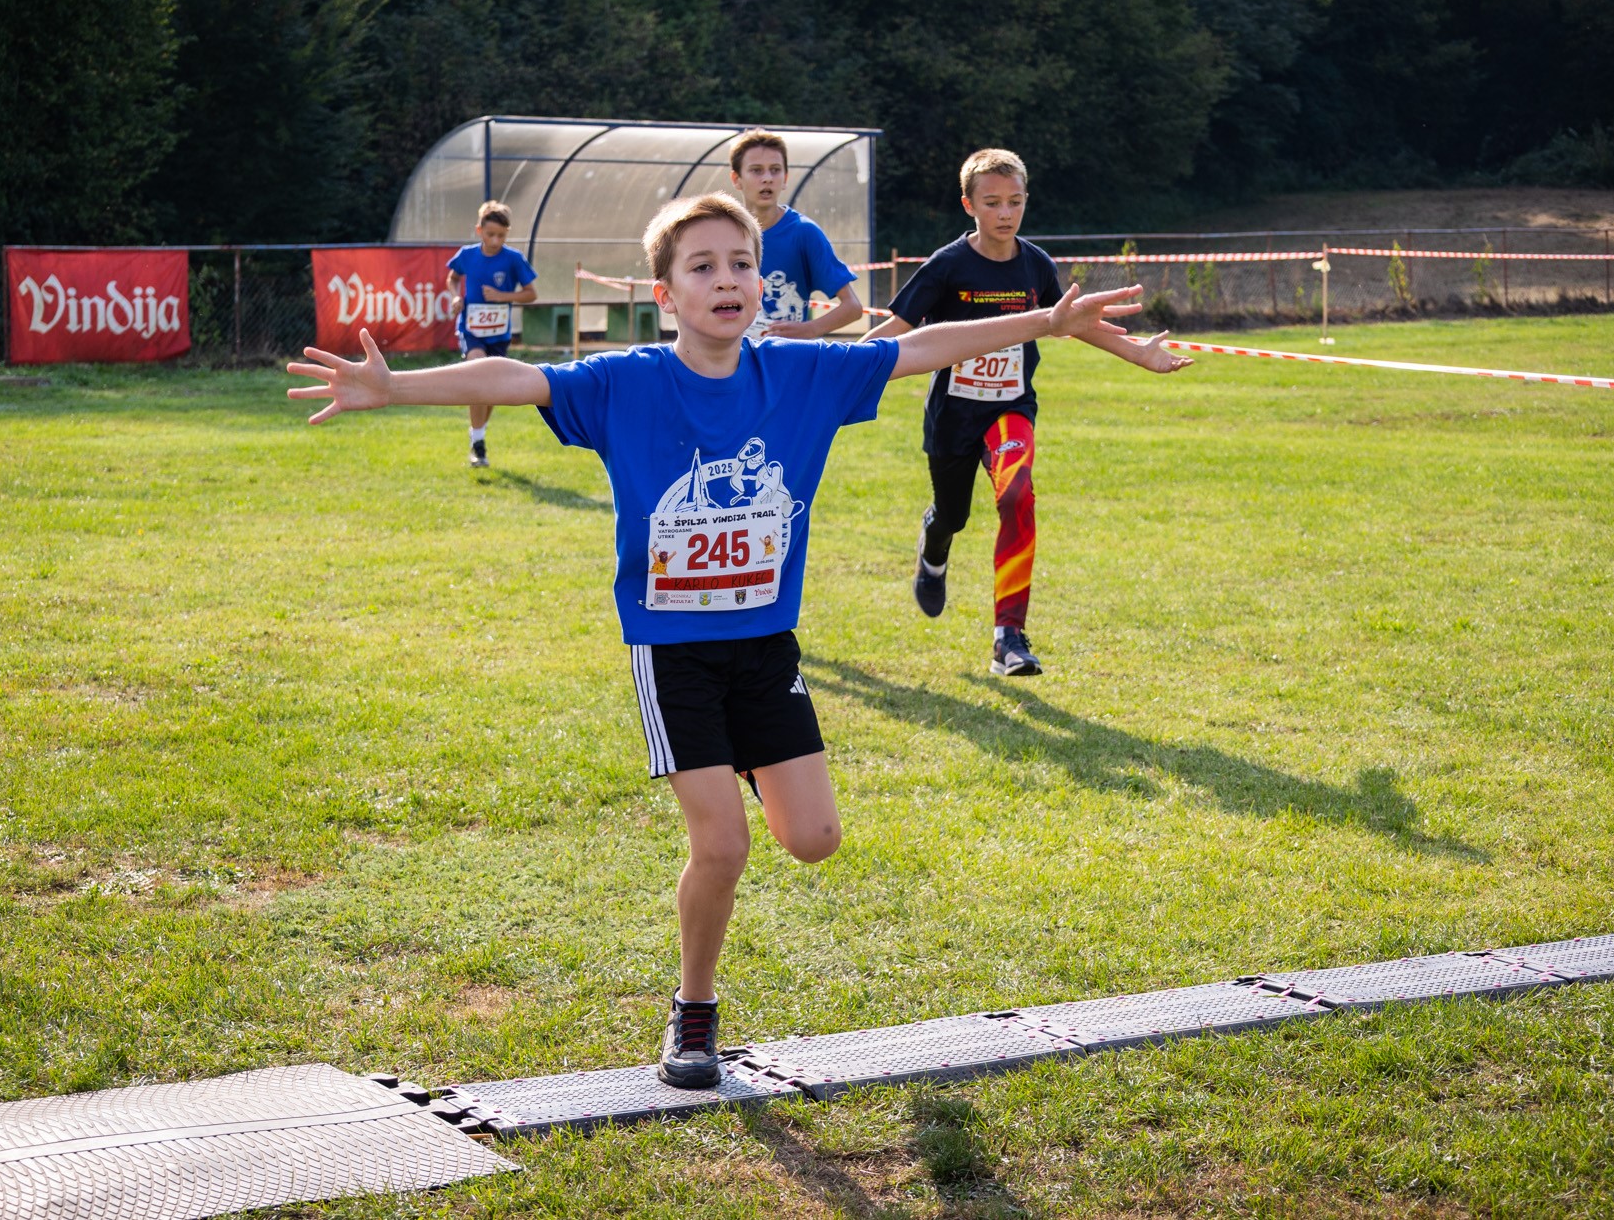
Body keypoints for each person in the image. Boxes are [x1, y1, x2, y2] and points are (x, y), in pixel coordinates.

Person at [285, 191, 1145, 1089]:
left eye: (740, 263)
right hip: (676, 655)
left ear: (761, 286)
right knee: (725, 846)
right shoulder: (627, 382)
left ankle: (738, 768)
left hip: (767, 648)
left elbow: (916, 348)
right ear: (665, 295)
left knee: (812, 837)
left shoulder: (800, 376)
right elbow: (517, 378)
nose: (725, 280)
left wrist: (1045, 318)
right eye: (701, 267)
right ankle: (693, 1014)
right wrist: (394, 388)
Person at [863, 148, 1191, 676]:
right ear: (969, 204)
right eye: (992, 203)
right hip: (953, 416)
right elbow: (897, 328)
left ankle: (1008, 638)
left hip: (1011, 409)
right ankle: (935, 540)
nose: (1005, 213)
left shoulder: (1035, 264)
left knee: (1017, 496)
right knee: (953, 514)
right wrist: (839, 370)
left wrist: (1140, 354)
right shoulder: (947, 266)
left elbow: (1073, 322)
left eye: (1015, 201)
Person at [726, 128, 866, 342]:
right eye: (756, 170)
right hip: (730, 360)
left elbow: (853, 307)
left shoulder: (804, 232)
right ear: (736, 179)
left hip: (785, 361)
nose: (767, 178)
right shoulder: (721, 232)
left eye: (775, 170)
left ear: (785, 178)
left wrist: (809, 329)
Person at [445, 200, 538, 467]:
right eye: (490, 234)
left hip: (498, 333)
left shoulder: (513, 259)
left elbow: (531, 293)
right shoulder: (467, 255)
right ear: (479, 231)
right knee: (477, 374)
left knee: (491, 390)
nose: (495, 240)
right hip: (471, 328)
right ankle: (478, 443)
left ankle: (478, 434)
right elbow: (452, 278)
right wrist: (455, 297)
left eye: (501, 236)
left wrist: (503, 296)